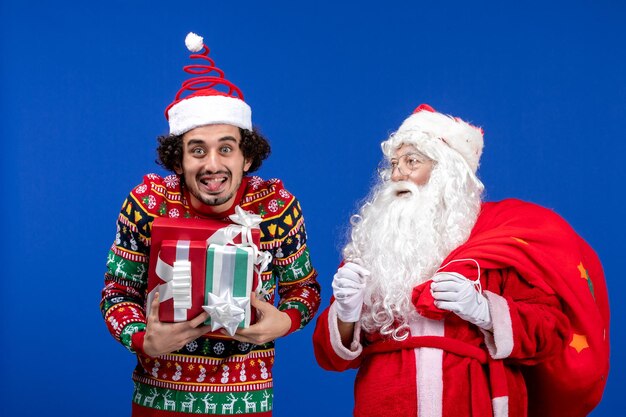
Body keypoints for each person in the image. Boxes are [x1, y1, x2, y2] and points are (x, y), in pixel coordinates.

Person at [312, 104, 609, 417]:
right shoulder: (375, 245)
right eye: (394, 164)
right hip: (386, 403)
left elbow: (550, 333)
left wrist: (485, 310)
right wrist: (346, 312)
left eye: (411, 161)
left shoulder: (500, 239)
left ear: (446, 171)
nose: (397, 174)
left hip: (476, 401)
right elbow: (333, 358)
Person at [101, 32, 321, 416]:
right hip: (160, 399)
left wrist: (284, 322)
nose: (213, 165)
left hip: (246, 399)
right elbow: (117, 293)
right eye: (197, 150)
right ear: (177, 161)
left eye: (226, 148)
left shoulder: (277, 207)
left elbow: (304, 289)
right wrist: (141, 339)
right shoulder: (147, 204)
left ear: (247, 157)